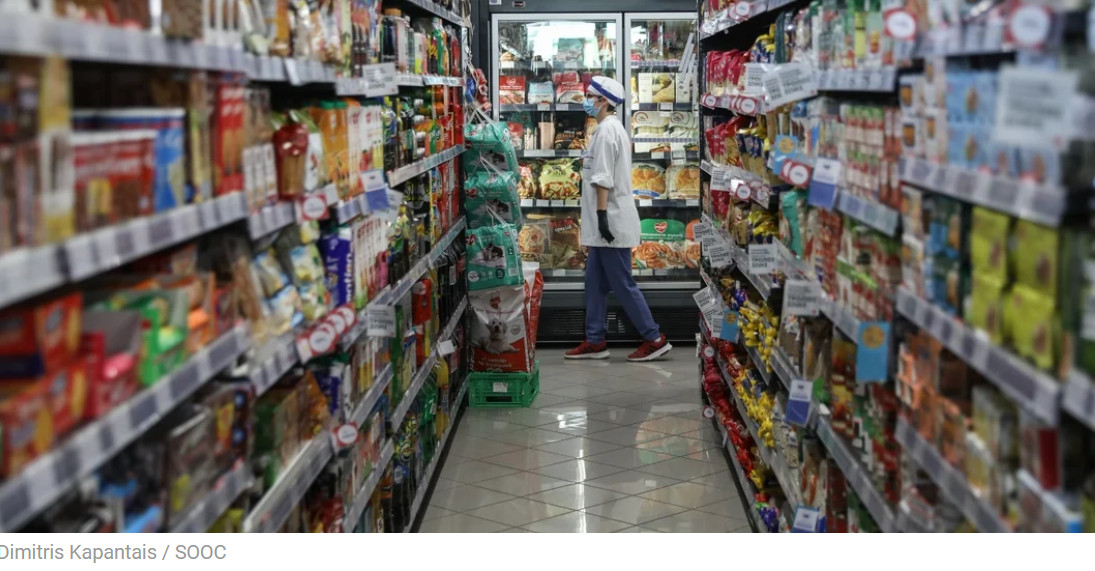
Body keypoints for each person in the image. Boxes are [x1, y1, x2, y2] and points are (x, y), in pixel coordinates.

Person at [565, 76, 672, 362]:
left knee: (622, 283)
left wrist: (602, 217)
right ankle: (595, 340)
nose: (586, 100)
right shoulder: (607, 129)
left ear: (603, 101)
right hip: (604, 223)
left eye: (590, 96)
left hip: (610, 221)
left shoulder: (606, 131)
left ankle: (654, 338)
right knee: (595, 283)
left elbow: (603, 179)